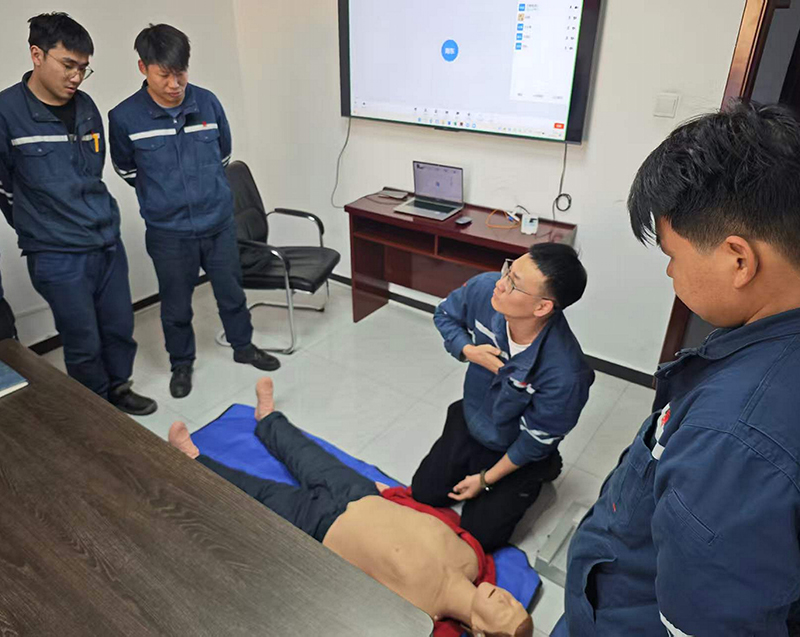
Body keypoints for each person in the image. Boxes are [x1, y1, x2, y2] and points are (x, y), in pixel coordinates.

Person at [552, 101, 800, 637]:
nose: (669, 271)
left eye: (672, 254)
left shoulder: (731, 440)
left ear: (739, 260)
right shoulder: (764, 347)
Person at [168, 377, 533, 637]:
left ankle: (193, 458)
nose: (507, 598)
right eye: (514, 603)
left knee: (254, 493)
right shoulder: (474, 559)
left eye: (504, 612)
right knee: (304, 453)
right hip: (361, 493)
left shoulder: (421, 617)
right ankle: (268, 419)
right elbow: (432, 519)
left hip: (319, 525)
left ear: (480, 632)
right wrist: (394, 495)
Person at [108, 24, 279, 400]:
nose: (174, 84)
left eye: (181, 73)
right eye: (164, 75)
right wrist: (164, 196)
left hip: (218, 223)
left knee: (231, 292)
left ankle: (243, 346)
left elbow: (223, 155)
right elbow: (126, 169)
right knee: (175, 306)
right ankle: (181, 364)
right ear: (143, 68)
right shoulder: (124, 117)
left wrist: (203, 192)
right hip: (168, 232)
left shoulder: (208, 103)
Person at [0, 13, 155, 414]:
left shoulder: (86, 107)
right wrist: (42, 227)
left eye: (84, 68)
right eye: (68, 65)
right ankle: (97, 413)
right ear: (37, 55)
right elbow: (5, 190)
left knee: (119, 327)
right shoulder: (6, 112)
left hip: (105, 241)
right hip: (56, 253)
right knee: (83, 340)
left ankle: (119, 387)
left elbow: (92, 173)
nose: (76, 77)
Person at [412, 244, 594, 552]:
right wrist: (467, 350)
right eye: (508, 270)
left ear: (542, 307)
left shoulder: (566, 374)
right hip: (472, 417)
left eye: (514, 283)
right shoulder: (486, 290)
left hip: (515, 443)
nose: (500, 283)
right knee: (424, 493)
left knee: (480, 537)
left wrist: (484, 480)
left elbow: (535, 438)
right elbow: (444, 314)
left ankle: (544, 466)